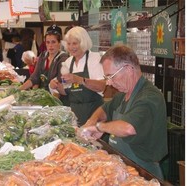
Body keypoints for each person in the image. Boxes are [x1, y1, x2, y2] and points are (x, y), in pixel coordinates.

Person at [77, 44, 168, 180]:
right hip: (121, 167)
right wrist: (91, 122)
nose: (108, 83)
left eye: (111, 76)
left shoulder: (150, 96)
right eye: (106, 77)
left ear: (128, 69)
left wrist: (99, 127)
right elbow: (104, 110)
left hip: (142, 173)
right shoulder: (123, 94)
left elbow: (128, 128)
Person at [49, 26, 106, 126]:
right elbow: (66, 91)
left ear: (83, 42)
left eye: (75, 43)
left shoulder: (94, 59)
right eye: (69, 44)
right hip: (75, 114)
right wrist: (56, 86)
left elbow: (101, 86)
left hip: (94, 114)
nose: (71, 47)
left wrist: (79, 79)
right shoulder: (68, 62)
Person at [20, 25, 69, 91]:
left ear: (59, 43)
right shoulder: (43, 56)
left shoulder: (63, 58)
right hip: (42, 95)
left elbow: (60, 82)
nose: (50, 45)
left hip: (56, 97)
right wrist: (19, 90)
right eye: (48, 42)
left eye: (53, 42)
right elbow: (35, 77)